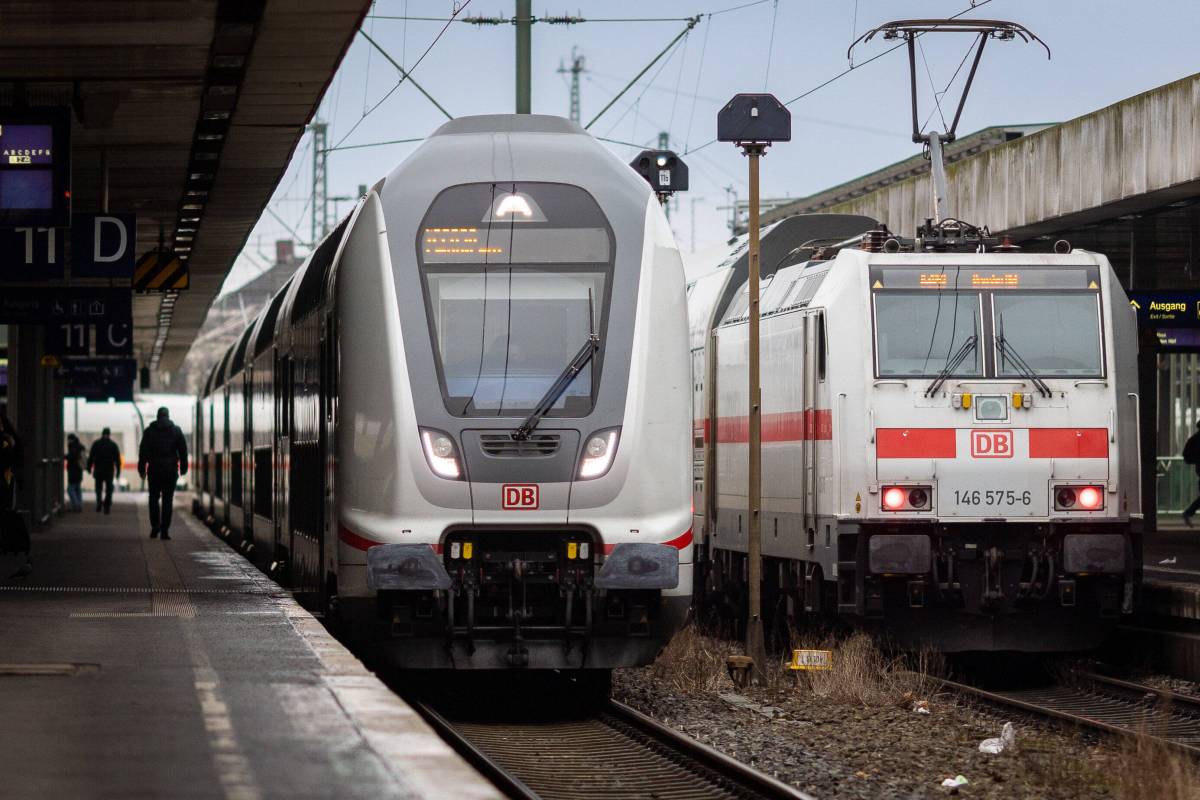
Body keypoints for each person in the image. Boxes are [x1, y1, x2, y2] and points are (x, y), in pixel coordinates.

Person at [138, 407, 188, 540]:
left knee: (153, 499)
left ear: (157, 416)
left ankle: (155, 527)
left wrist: (141, 469)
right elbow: (183, 451)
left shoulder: (149, 431)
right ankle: (165, 531)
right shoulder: (176, 431)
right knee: (167, 501)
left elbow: (143, 452)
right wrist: (184, 468)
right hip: (170, 471)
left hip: (154, 471)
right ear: (168, 416)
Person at [87, 428, 121, 514]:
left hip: (98, 470)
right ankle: (107, 506)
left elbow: (91, 457)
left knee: (98, 488)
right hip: (109, 470)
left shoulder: (96, 444)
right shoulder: (113, 445)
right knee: (109, 489)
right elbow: (117, 460)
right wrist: (118, 472)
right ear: (109, 434)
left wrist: (89, 467)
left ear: (102, 434)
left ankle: (99, 502)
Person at [64, 434, 85, 512]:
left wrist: (64, 456)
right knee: (77, 489)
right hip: (79, 471)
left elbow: (71, 456)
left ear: (71, 439)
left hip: (73, 471)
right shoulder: (80, 446)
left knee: (70, 489)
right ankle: (79, 505)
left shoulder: (73, 447)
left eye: (68, 439)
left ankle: (77, 506)